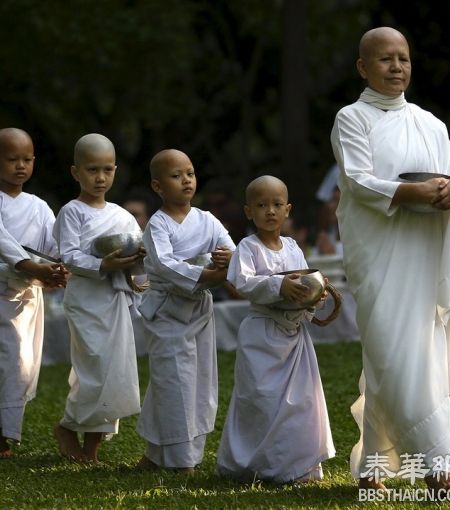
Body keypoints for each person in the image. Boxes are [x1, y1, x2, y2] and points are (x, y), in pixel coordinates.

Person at [330, 27, 450, 491]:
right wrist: (411, 191)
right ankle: (439, 468)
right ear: (362, 68)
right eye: (385, 59)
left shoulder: (431, 123)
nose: (396, 67)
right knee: (391, 350)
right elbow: (356, 180)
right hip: (378, 252)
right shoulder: (351, 118)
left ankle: (374, 470)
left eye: (404, 59)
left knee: (406, 355)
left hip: (424, 247)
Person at [215, 175, 335, 484]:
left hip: (294, 338)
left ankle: (299, 466)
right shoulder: (247, 248)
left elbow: (306, 280)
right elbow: (242, 283)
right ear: (248, 211)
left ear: (288, 210)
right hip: (262, 333)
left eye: (277, 204)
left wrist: (315, 296)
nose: (270, 211)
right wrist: (278, 284)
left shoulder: (293, 247)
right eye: (261, 205)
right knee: (261, 400)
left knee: (302, 400)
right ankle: (256, 464)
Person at [135, 149, 235, 473]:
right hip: (167, 313)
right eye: (176, 176)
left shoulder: (207, 220)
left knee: (199, 383)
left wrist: (227, 263)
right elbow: (165, 265)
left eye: (189, 173)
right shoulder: (157, 225)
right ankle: (180, 462)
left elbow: (231, 250)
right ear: (157, 186)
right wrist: (211, 274)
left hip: (199, 311)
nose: (186, 180)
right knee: (174, 382)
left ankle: (155, 455)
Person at [0, 127, 67, 458]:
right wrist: (31, 266)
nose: (20, 166)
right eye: (12, 159)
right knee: (9, 358)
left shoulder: (39, 206)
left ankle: (1, 429)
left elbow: (53, 245)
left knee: (25, 363)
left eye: (26, 159)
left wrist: (58, 268)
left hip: (28, 292)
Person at [52, 133, 143, 463]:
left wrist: (135, 273)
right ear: (75, 172)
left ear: (115, 170)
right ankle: (67, 426)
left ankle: (92, 447)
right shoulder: (72, 212)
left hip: (115, 300)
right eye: (92, 170)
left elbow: (139, 251)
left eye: (107, 169)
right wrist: (103, 264)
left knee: (115, 372)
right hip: (86, 300)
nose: (100, 177)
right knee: (93, 368)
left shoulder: (122, 216)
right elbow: (69, 256)